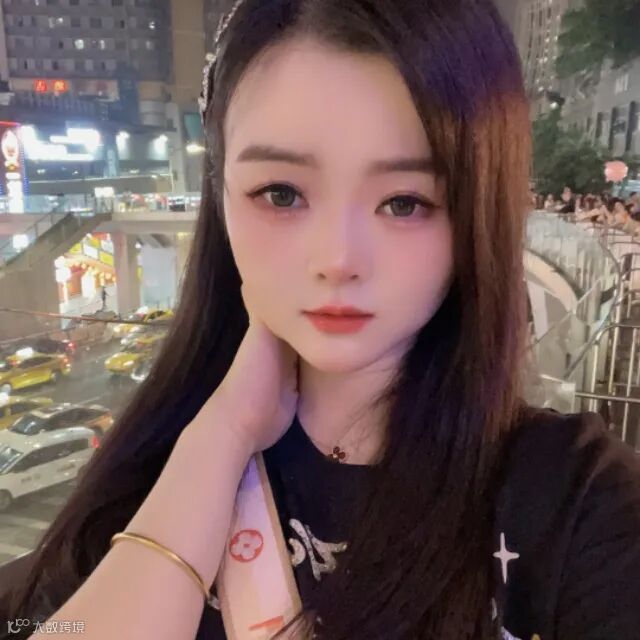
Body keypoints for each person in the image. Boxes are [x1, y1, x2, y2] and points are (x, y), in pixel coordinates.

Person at [2, 1, 640, 639]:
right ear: (220, 195)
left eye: (405, 202)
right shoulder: (152, 470)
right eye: (281, 193)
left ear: (479, 209)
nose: (338, 259)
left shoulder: (576, 504)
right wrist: (221, 435)